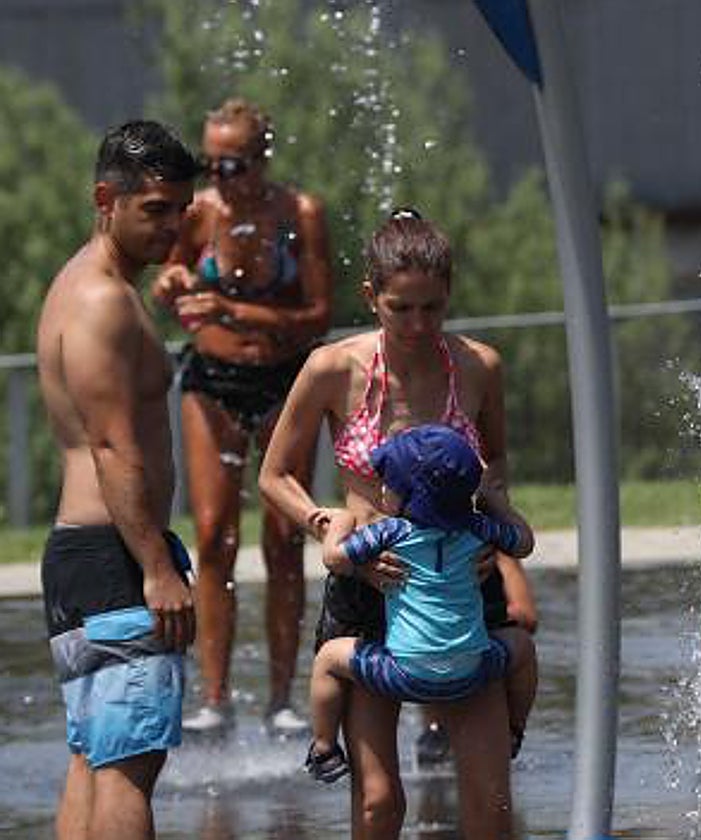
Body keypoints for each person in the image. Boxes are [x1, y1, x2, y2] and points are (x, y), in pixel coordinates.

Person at [259, 209, 538, 838]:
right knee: (380, 802)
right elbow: (274, 477)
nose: (417, 325)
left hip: (461, 584)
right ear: (371, 297)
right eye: (400, 308)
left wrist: (499, 549)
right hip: (369, 587)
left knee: (489, 799)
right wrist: (329, 525)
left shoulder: (478, 366)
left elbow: (493, 467)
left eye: (432, 309)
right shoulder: (332, 368)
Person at [35, 120, 202, 840]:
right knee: (130, 764)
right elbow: (111, 445)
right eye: (155, 209)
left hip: (84, 555)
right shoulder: (102, 300)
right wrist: (158, 567)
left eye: (181, 209)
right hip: (115, 556)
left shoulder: (89, 286)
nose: (172, 226)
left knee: (92, 757)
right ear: (107, 197)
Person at [150, 98, 334, 735]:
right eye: (211, 163)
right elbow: (167, 275)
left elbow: (317, 317)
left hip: (284, 380)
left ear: (262, 160)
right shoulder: (199, 213)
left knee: (285, 540)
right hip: (214, 383)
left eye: (233, 165)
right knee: (212, 535)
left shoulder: (298, 215)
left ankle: (281, 699)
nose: (220, 178)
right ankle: (215, 697)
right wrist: (172, 283)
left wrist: (234, 313)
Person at [306, 424, 536, 787]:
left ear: (412, 496)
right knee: (523, 647)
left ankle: (323, 747)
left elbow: (335, 559)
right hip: (471, 671)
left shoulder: (392, 533)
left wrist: (341, 522)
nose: (382, 488)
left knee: (328, 658)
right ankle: (514, 729)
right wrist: (500, 507)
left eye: (389, 484)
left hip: (402, 673)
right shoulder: (477, 529)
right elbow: (523, 543)